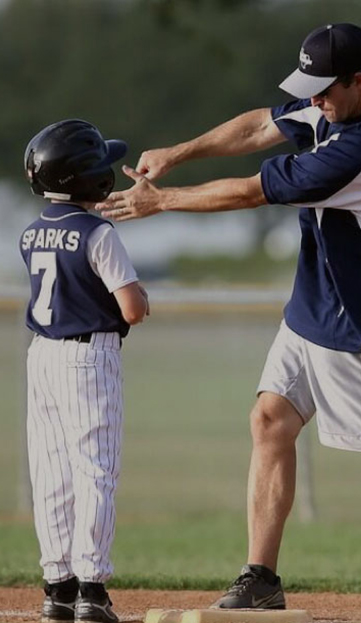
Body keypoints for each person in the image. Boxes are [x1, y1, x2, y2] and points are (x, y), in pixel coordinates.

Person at [96, 23, 361, 621]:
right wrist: (178, 152)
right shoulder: (339, 106)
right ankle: (260, 577)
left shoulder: (358, 150)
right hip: (313, 302)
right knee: (269, 419)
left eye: (324, 89)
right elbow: (262, 124)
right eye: (308, 89)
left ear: (360, 82)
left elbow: (250, 193)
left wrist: (163, 200)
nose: (314, 102)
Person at [20, 119, 149, 623]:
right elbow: (132, 308)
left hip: (43, 357)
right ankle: (92, 589)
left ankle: (58, 585)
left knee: (51, 472)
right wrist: (140, 299)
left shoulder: (32, 232)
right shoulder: (98, 232)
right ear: (89, 180)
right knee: (95, 469)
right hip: (88, 358)